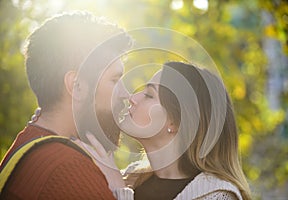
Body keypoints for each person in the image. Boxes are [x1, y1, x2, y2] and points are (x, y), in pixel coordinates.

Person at [0, 11, 133, 199]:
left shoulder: (27, 143)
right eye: (114, 79)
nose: (126, 94)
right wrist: (120, 189)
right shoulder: (70, 170)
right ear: (76, 86)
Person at [115, 61, 251, 199]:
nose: (132, 98)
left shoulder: (218, 197)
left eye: (149, 95)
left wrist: (117, 191)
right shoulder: (129, 178)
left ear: (175, 122)